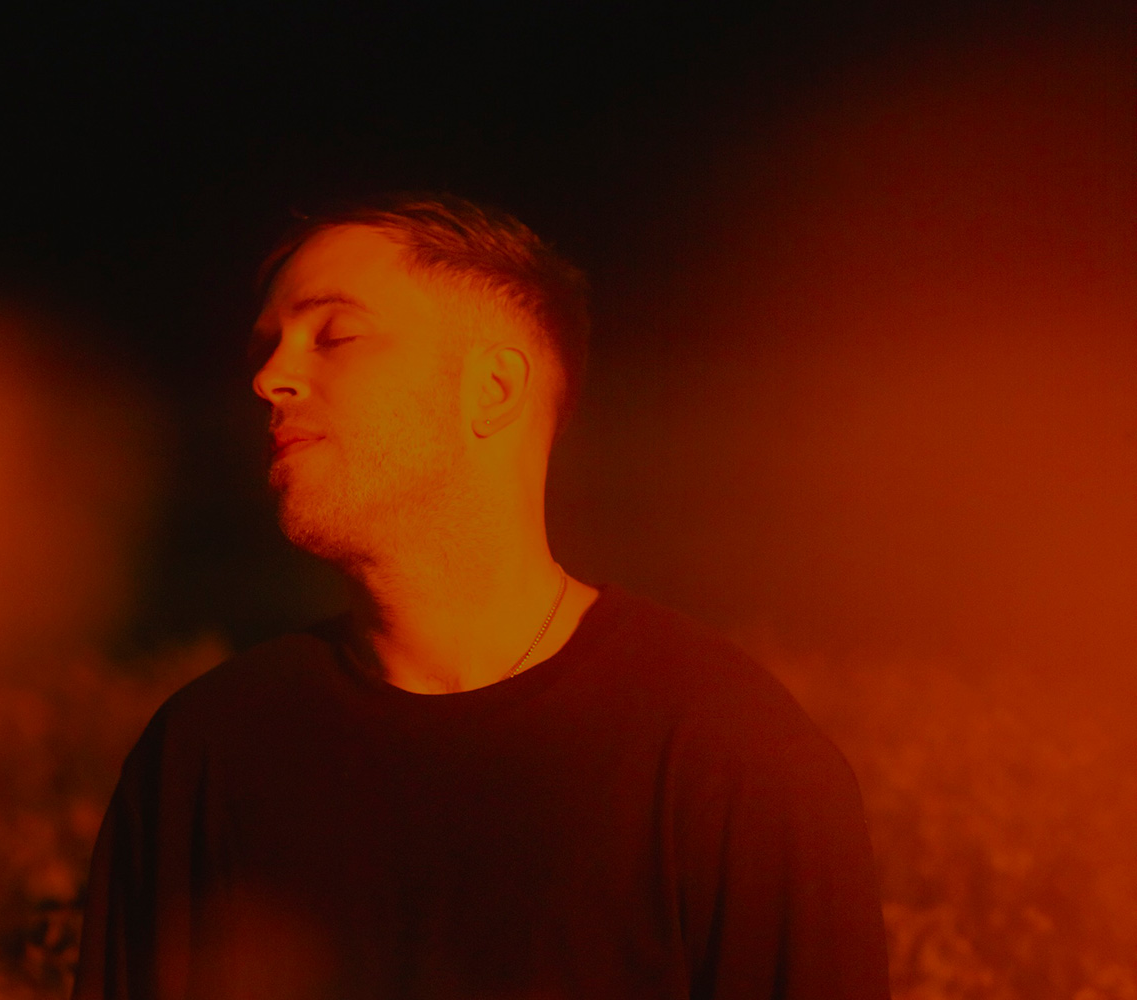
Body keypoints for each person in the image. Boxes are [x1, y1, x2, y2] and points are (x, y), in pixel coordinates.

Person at [74, 194, 891, 999]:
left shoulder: (728, 755)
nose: (268, 378)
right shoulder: (206, 752)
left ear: (493, 389)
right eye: (266, 347)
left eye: (335, 335)